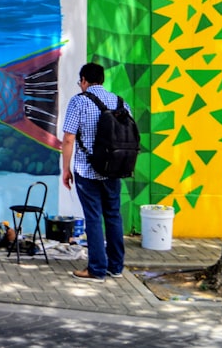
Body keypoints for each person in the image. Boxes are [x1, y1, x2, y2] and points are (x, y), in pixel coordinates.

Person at [61, 62, 127, 281]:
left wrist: (65, 169)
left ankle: (97, 269)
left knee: (93, 218)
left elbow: (69, 138)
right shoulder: (120, 102)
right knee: (113, 215)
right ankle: (116, 267)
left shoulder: (79, 102)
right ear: (103, 80)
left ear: (83, 81)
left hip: (87, 170)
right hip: (114, 170)